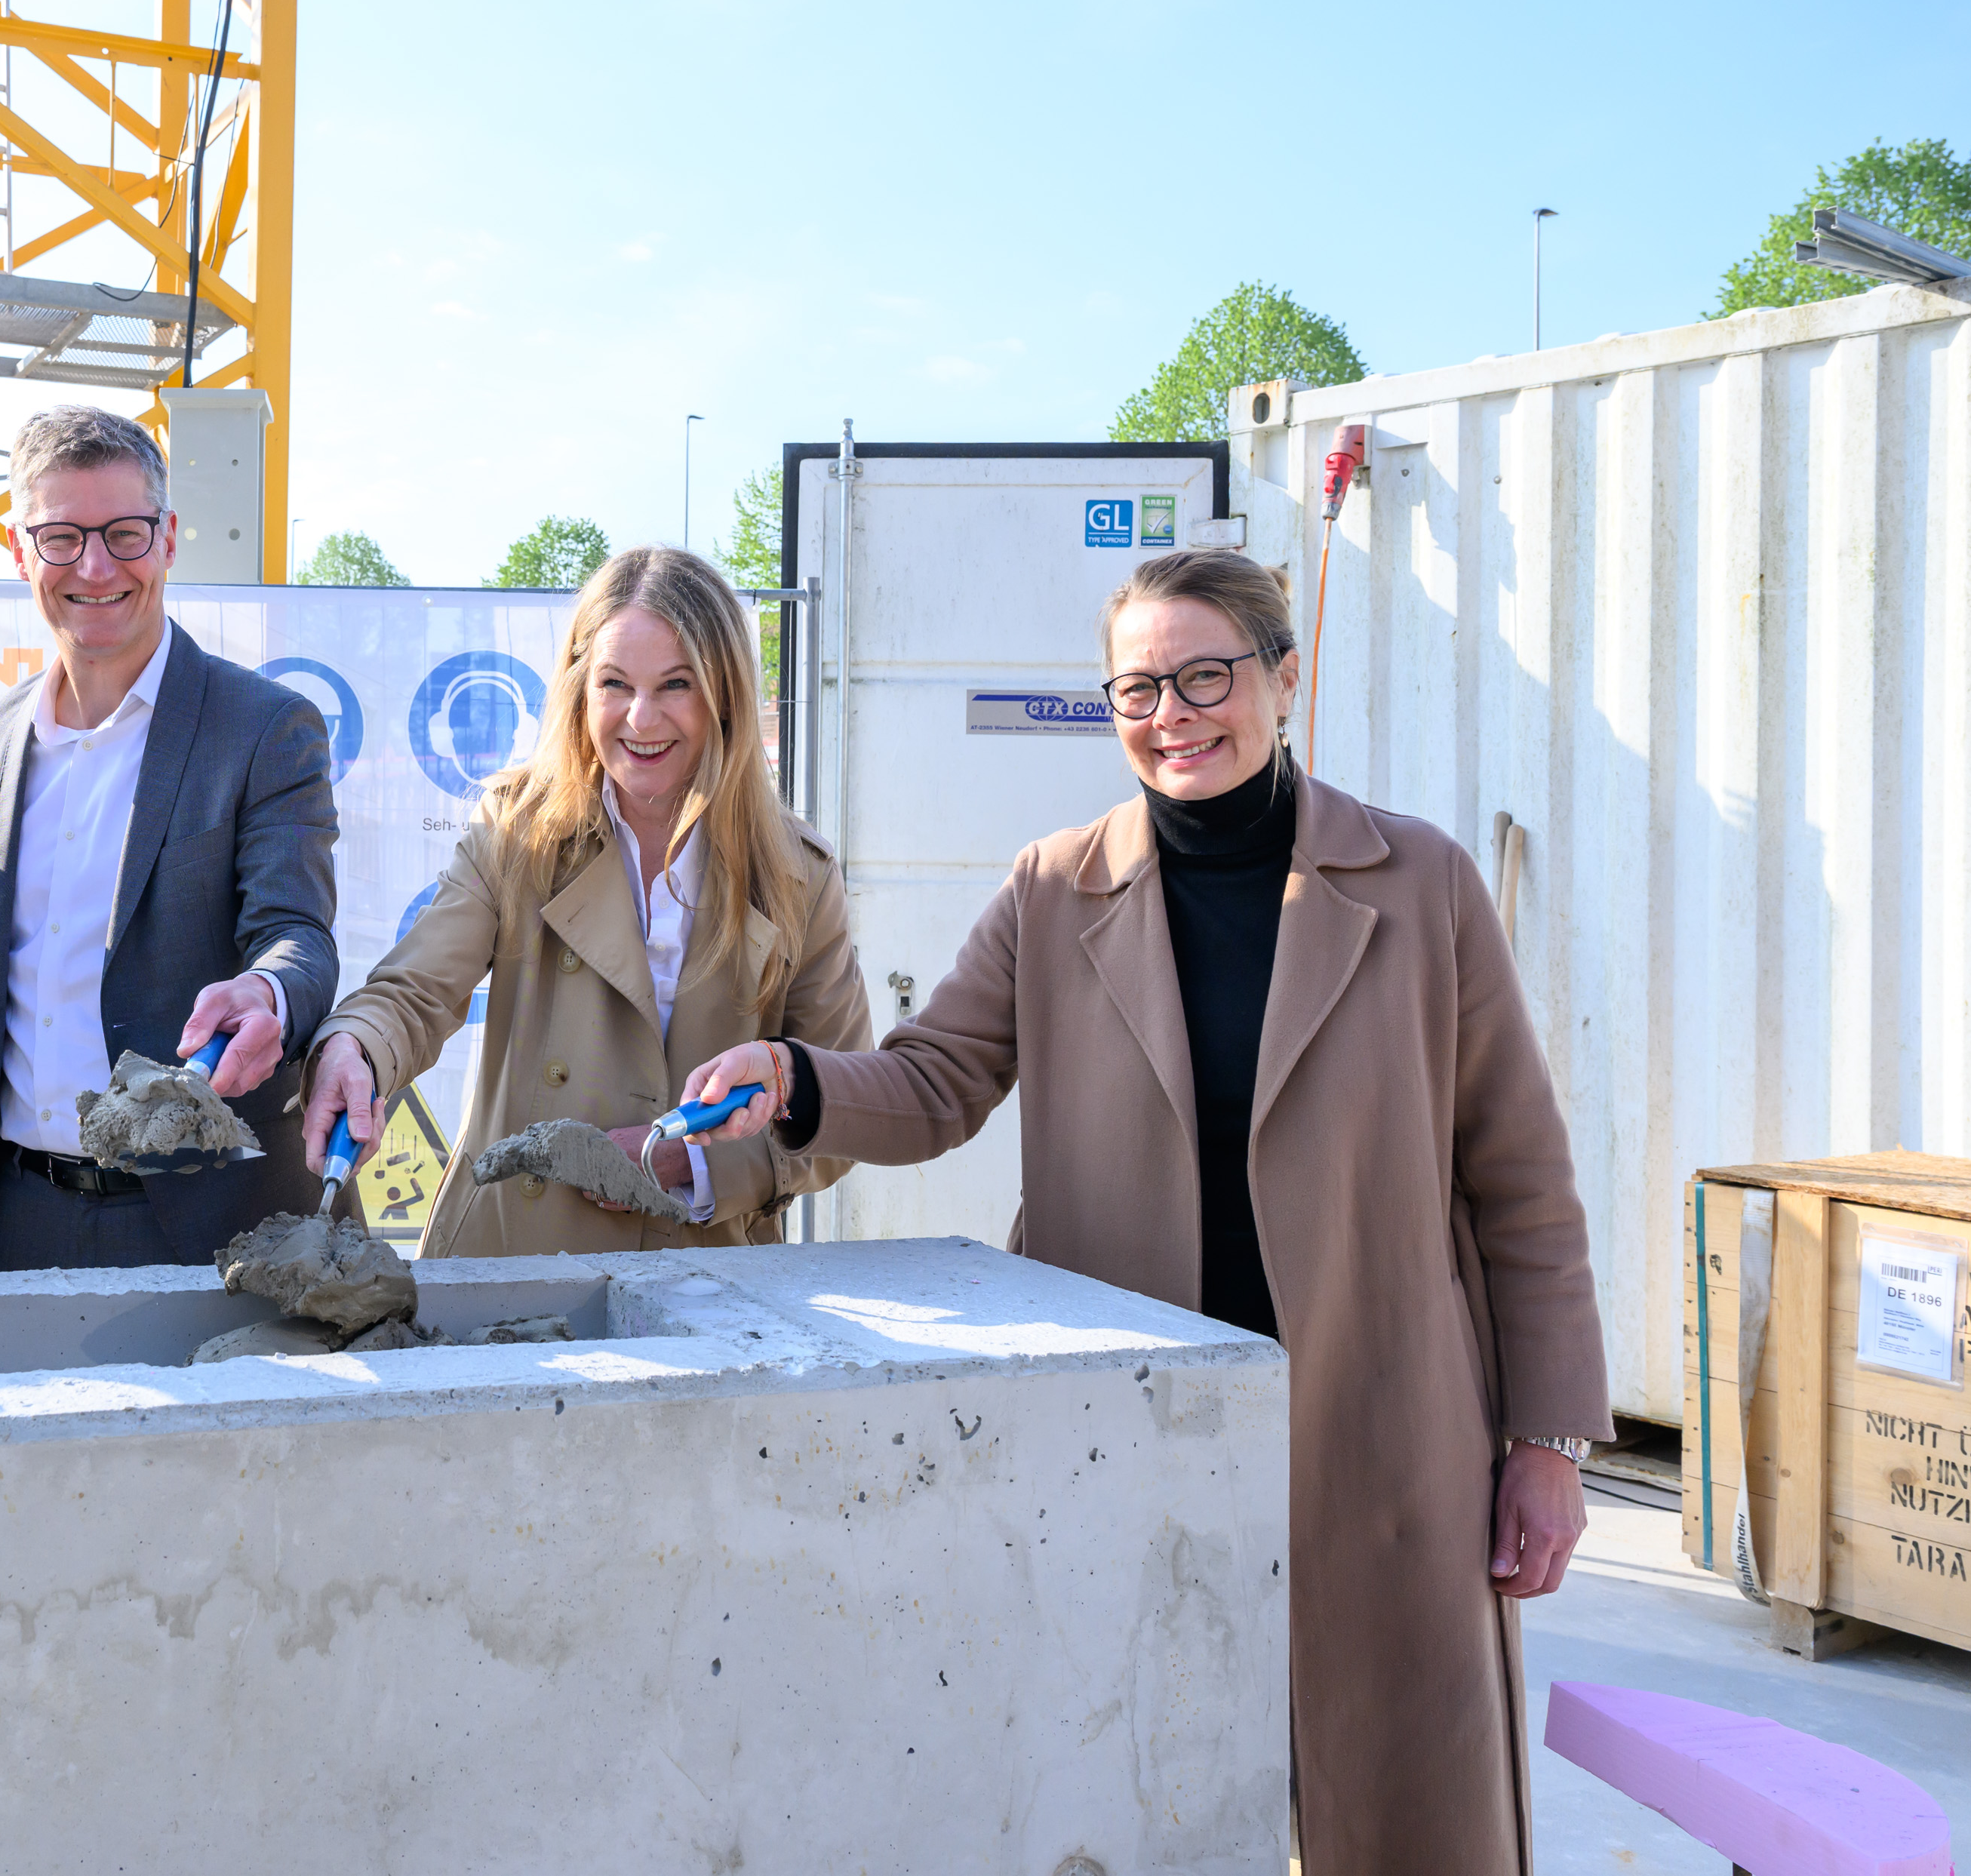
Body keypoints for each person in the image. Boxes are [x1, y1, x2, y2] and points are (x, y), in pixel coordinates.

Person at [676, 546, 1610, 1874]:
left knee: (1405, 1805)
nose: (1172, 713)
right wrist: (797, 1078)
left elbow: (1521, 1181)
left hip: (1384, 1427)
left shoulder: (1421, 885)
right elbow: (939, 1079)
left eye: (1206, 674)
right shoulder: (1055, 887)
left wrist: (1549, 1439)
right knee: (1123, 1791)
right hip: (1132, 1424)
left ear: (1288, 678)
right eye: (1136, 689)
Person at [303, 545, 870, 1253]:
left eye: (675, 684)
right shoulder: (517, 832)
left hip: (707, 1286)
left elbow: (841, 1104)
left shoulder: (796, 875)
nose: (640, 718)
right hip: (512, 1265)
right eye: (614, 684)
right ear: (580, 689)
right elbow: (417, 989)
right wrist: (355, 1048)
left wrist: (688, 1160)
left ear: (724, 693)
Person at [0, 405, 339, 1271]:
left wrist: (268, 995)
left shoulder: (264, 726)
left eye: (124, 533)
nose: (94, 566)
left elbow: (297, 934)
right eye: (60, 538)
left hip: (201, 1225)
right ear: (19, 552)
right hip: (14, 1218)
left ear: (167, 540)